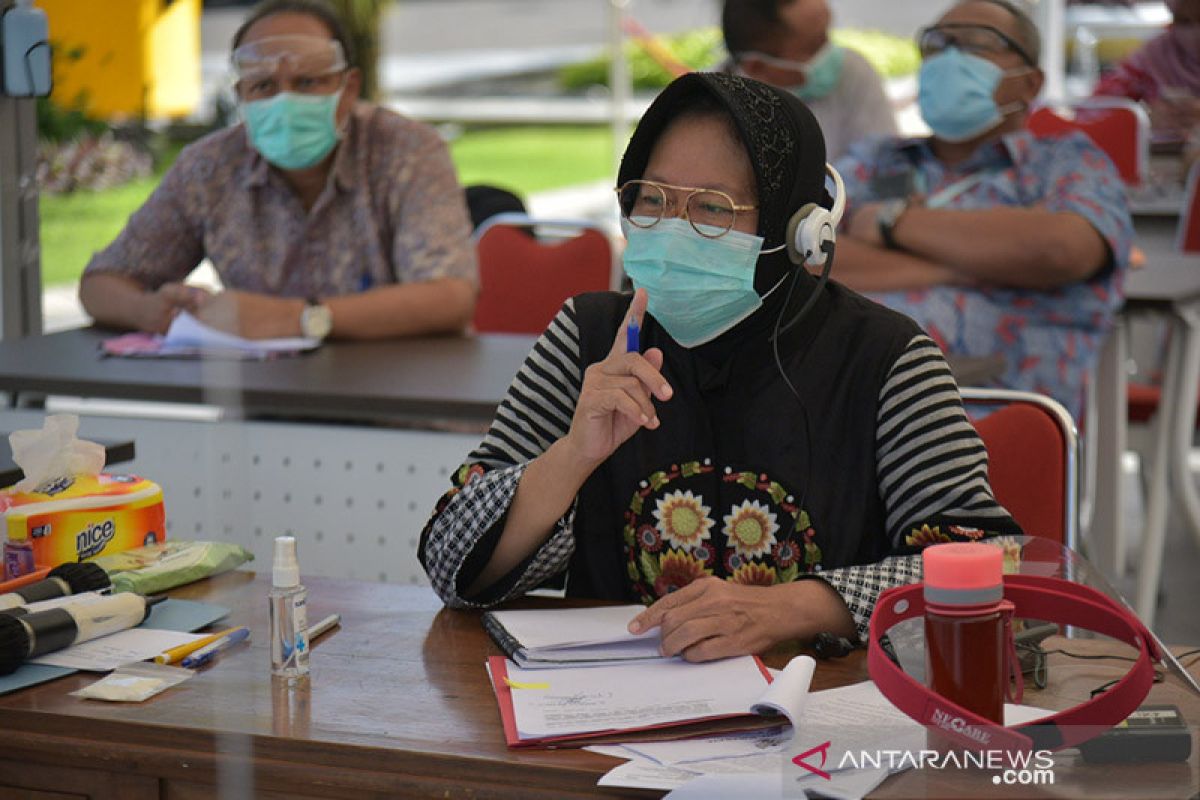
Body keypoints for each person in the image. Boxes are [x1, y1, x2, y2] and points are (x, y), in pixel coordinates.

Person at [420, 72, 1021, 661]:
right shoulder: (591, 337)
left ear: (799, 231)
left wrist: (796, 608)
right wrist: (572, 456)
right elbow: (450, 568)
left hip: (817, 720)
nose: (673, 231)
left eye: (712, 208)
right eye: (652, 200)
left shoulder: (887, 359)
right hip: (610, 716)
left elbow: (992, 565)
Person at [78, 0, 477, 341]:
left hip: (402, 405)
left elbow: (449, 296)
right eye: (264, 86)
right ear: (241, 97)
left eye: (307, 82)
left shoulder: (407, 150)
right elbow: (100, 283)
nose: (285, 101)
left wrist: (298, 319)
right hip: (262, 408)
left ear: (348, 88)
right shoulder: (210, 167)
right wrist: (147, 310)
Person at [832, 0, 1133, 423]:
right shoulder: (878, 160)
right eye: (936, 45)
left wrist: (891, 222)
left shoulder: (1067, 163)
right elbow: (802, 257)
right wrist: (980, 264)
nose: (949, 58)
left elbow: (1061, 250)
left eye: (977, 44)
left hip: (993, 425)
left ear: (1030, 83)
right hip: (846, 413)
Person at [722, 0, 897, 161]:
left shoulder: (853, 71)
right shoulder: (711, 107)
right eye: (813, 47)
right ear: (756, 66)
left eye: (826, 35)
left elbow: (887, 160)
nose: (828, 53)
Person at [1091, 0, 1200, 147]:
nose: (1196, 33)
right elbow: (1091, 112)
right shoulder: (1153, 57)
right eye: (1184, 22)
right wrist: (1142, 118)